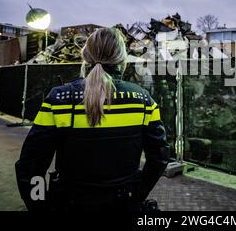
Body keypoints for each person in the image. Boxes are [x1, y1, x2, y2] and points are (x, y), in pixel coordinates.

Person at [15, 28, 169, 211]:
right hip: (123, 204)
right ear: (122, 58)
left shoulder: (59, 99)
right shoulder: (144, 101)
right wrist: (137, 196)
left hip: (70, 203)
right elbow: (159, 158)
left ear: (86, 56)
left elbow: (31, 166)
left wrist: (39, 206)